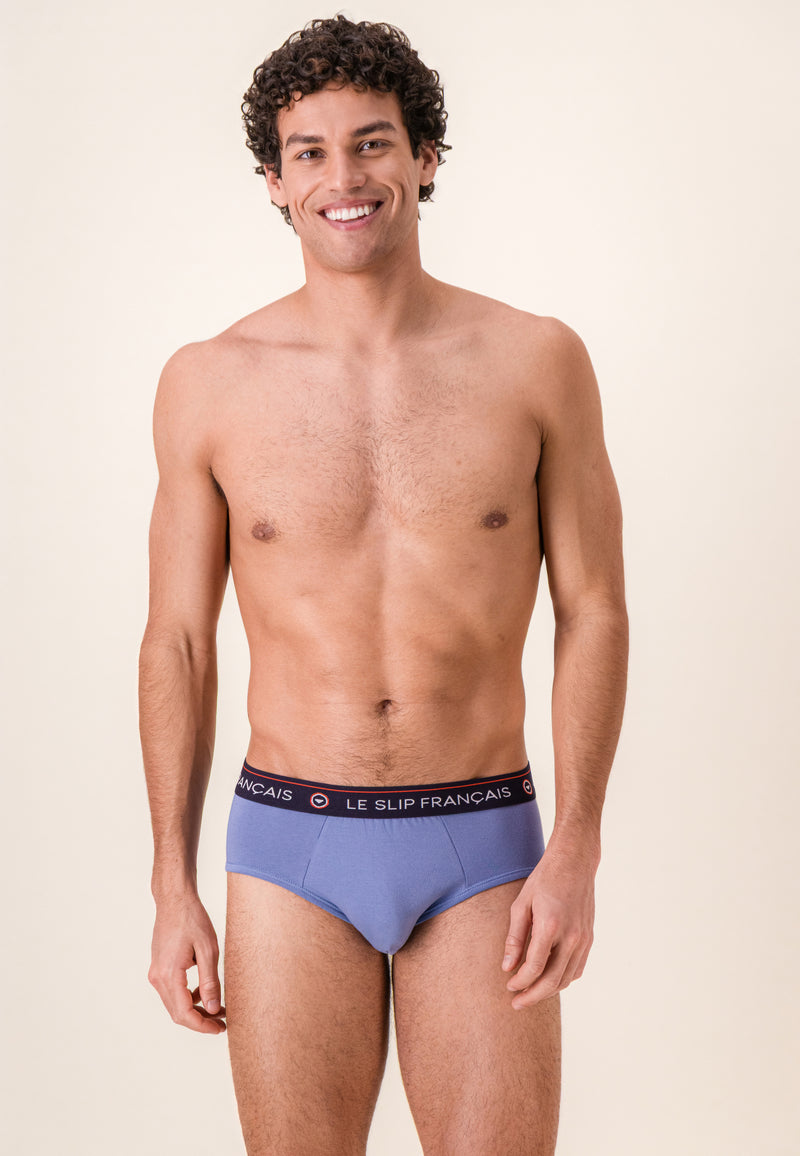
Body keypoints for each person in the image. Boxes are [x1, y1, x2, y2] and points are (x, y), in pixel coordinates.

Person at [139, 15, 628, 1156]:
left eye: (372, 143)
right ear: (274, 181)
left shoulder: (535, 360)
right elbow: (178, 642)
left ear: (425, 156)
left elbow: (593, 609)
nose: (343, 178)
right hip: (290, 846)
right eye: (308, 152)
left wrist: (577, 845)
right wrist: (170, 884)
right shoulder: (208, 383)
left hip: (483, 843)